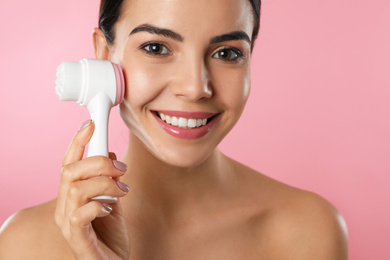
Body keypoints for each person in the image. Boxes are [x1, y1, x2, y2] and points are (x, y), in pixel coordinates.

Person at [0, 0, 348, 259]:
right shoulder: (24, 246)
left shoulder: (308, 232)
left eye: (227, 53)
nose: (196, 87)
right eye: (156, 47)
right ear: (104, 57)